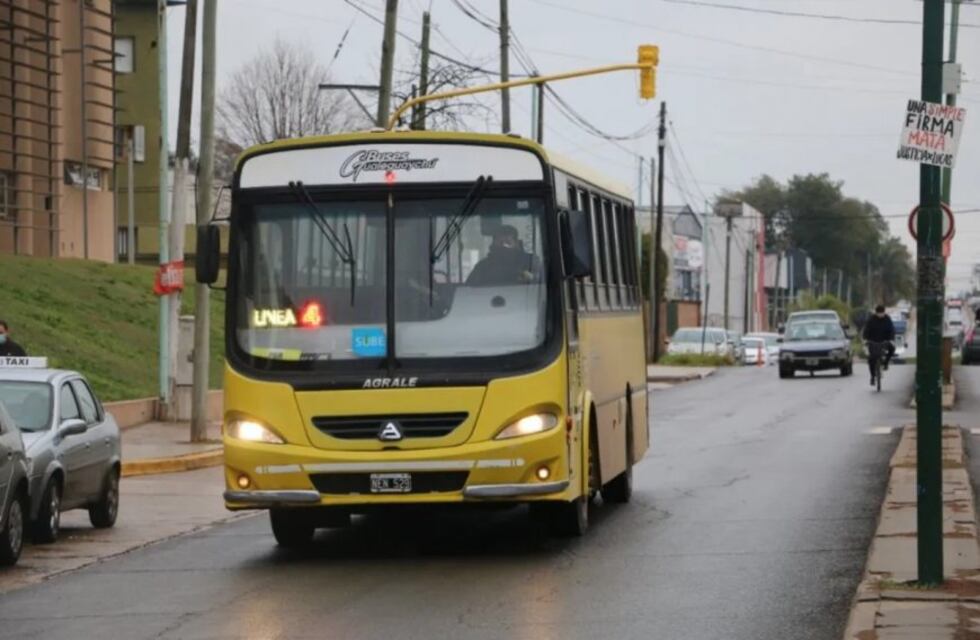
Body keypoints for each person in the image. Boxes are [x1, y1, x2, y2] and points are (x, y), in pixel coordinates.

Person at [466, 225, 541, 287]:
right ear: (494, 243)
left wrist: (525, 275)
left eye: (508, 243)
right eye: (500, 242)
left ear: (516, 243)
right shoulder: (483, 267)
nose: (503, 246)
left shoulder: (530, 262)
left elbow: (543, 284)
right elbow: (468, 289)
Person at [862, 305, 895, 384]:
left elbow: (892, 330)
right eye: (879, 313)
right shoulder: (871, 320)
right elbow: (866, 330)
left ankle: (886, 363)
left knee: (892, 348)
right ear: (876, 313)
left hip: (884, 341)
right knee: (871, 359)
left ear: (884, 312)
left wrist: (891, 339)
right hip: (873, 342)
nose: (881, 314)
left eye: (882, 313)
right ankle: (872, 377)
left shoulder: (887, 319)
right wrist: (865, 339)